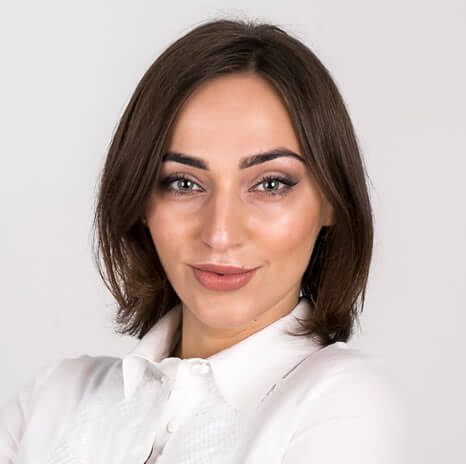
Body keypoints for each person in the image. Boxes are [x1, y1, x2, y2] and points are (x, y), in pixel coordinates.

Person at [0, 18, 407, 463]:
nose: (219, 234)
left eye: (270, 184)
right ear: (140, 200)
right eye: (184, 183)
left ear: (331, 200)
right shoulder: (54, 399)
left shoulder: (346, 402)